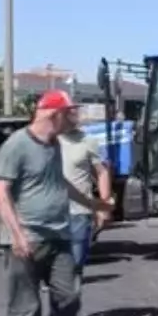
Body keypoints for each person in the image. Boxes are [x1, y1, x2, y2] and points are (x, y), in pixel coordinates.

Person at [0, 90, 114, 316]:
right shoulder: (16, 145)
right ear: (53, 114)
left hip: (59, 236)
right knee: (26, 311)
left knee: (69, 298)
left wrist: (95, 204)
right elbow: (0, 193)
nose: (74, 117)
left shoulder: (56, 145)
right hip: (27, 240)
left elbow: (60, 185)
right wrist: (17, 235)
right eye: (70, 112)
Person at [58, 108, 115, 279]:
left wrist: (104, 205)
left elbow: (102, 172)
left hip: (80, 211)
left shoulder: (89, 142)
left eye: (71, 116)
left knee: (76, 261)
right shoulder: (49, 141)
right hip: (51, 211)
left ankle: (71, 286)